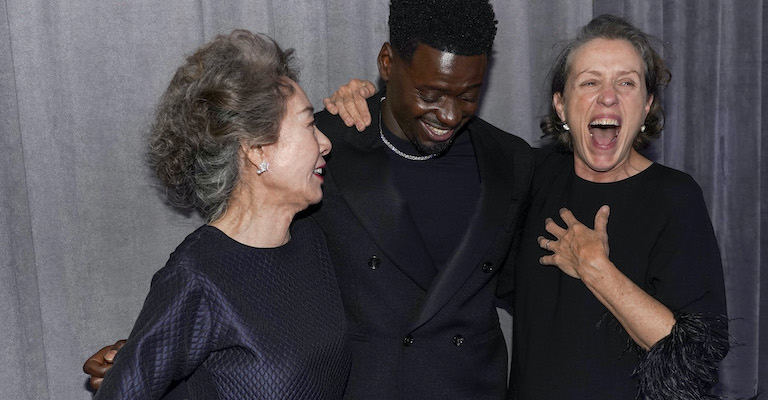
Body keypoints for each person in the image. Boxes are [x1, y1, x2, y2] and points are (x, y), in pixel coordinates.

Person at [86, 1, 533, 399]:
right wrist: (158, 353)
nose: (451, 114)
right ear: (387, 62)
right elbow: (232, 287)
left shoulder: (511, 162)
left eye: (469, 96)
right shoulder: (316, 162)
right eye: (430, 94)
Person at [89, 29, 349, 399]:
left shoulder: (311, 240)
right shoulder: (198, 275)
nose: (325, 142)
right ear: (257, 150)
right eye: (309, 124)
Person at [505, 14, 728, 399]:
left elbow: (695, 357)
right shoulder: (530, 176)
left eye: (626, 83)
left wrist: (598, 271)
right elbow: (440, 123)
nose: (608, 96)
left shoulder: (674, 197)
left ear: (646, 106)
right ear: (561, 106)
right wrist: (370, 103)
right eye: (590, 82)